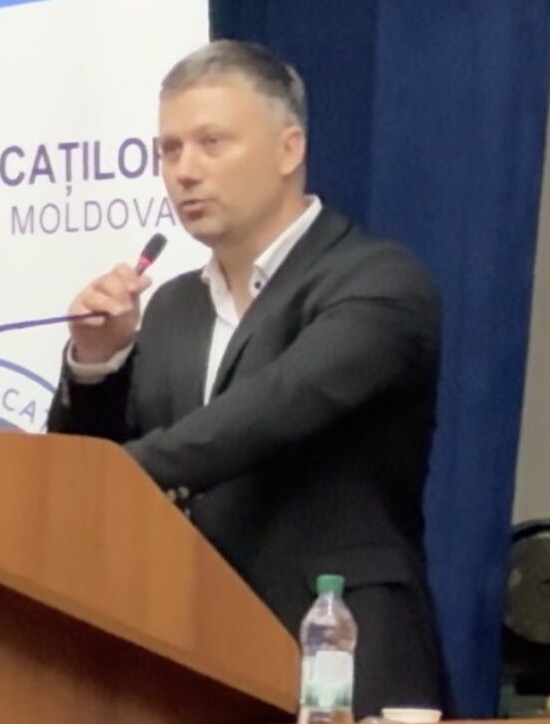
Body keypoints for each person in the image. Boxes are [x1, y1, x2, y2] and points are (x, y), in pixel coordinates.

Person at [47, 40, 446, 716]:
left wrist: (105, 476)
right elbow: (83, 483)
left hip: (341, 650)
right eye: (169, 150)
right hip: (187, 654)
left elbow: (271, 409)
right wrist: (97, 363)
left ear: (288, 150)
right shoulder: (172, 307)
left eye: (211, 144)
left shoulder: (378, 282)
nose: (185, 172)